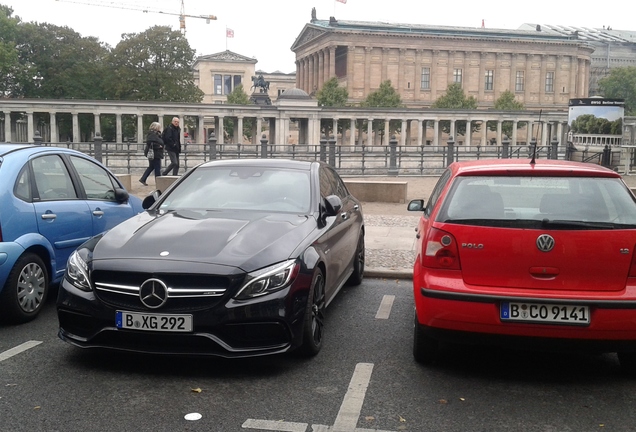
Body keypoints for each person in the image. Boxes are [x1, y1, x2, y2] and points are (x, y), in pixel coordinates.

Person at [139, 122, 164, 186]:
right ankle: (158, 181)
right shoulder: (153, 134)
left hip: (155, 153)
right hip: (155, 153)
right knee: (157, 167)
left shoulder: (155, 134)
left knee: (151, 167)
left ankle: (143, 179)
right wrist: (158, 146)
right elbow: (150, 143)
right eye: (159, 127)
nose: (160, 128)